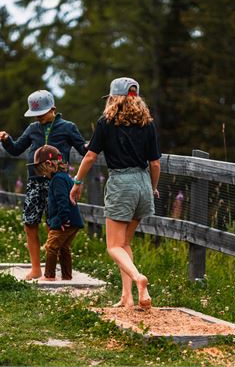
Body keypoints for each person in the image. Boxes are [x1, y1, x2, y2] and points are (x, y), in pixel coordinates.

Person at [69, 77, 160, 309]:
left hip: (122, 183)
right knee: (125, 243)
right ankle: (127, 297)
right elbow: (155, 163)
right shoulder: (147, 123)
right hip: (142, 183)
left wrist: (77, 181)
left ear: (112, 98)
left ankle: (139, 279)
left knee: (113, 246)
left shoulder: (106, 122)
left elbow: (90, 156)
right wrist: (153, 187)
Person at [0, 90, 87, 280]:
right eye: (36, 114)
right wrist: (6, 140)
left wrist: (78, 178)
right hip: (35, 183)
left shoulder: (68, 127)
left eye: (42, 112)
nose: (38, 117)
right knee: (30, 223)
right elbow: (16, 149)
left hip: (58, 183)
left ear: (53, 108)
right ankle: (36, 268)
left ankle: (54, 270)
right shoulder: (32, 129)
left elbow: (85, 151)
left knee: (55, 225)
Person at [29, 145, 84, 281]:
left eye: (40, 168)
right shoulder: (64, 177)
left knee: (51, 247)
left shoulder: (57, 179)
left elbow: (62, 201)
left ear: (48, 164)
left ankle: (49, 276)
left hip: (64, 221)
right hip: (74, 221)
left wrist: (63, 220)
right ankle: (67, 276)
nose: (40, 172)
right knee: (64, 248)